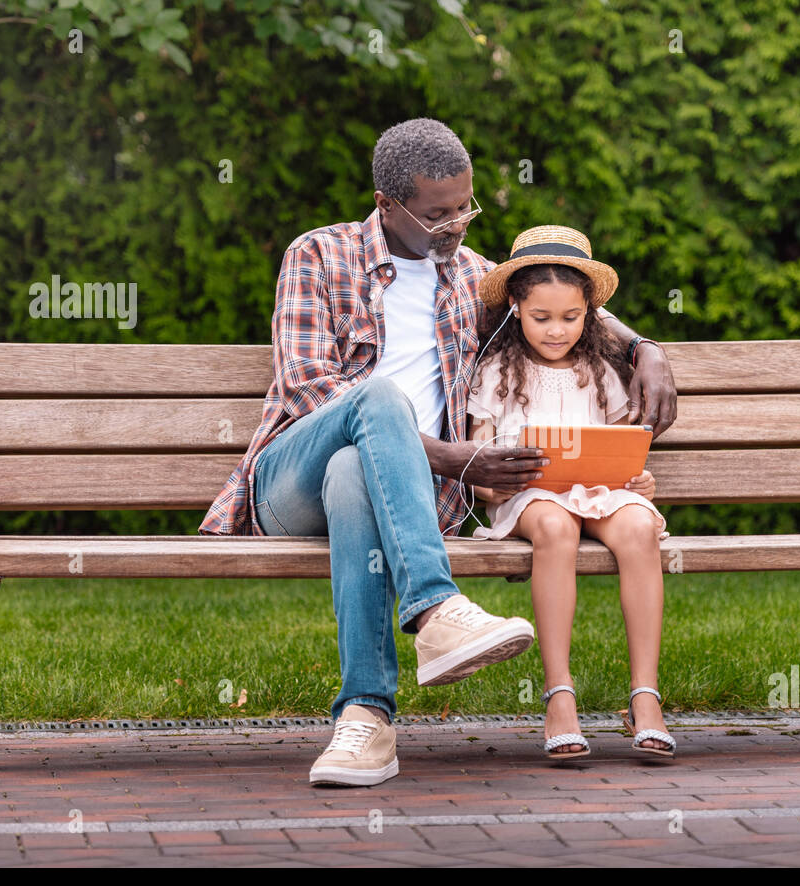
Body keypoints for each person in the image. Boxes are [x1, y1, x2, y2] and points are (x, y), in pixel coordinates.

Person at [198, 119, 679, 786]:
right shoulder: (318, 256)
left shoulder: (476, 279)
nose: (455, 226)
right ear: (386, 206)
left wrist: (643, 350)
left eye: (465, 207)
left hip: (400, 499)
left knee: (354, 473)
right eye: (437, 215)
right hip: (290, 481)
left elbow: (568, 300)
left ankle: (365, 720)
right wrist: (458, 459)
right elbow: (311, 391)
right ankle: (434, 608)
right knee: (373, 403)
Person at [466, 225, 676, 761]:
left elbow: (620, 451)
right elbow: (477, 461)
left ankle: (645, 696)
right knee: (556, 527)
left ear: (590, 313)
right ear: (516, 308)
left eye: (571, 317)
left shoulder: (599, 371)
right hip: (531, 500)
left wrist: (639, 483)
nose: (557, 330)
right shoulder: (494, 373)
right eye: (541, 318)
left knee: (636, 525)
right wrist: (494, 478)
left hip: (597, 492)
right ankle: (560, 694)